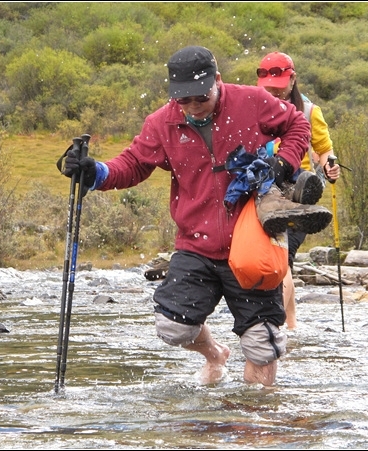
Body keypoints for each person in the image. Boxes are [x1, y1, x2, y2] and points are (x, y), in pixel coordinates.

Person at [61, 46, 332, 386]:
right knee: (173, 327)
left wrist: (285, 162)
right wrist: (95, 173)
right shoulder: (162, 122)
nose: (191, 107)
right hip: (197, 243)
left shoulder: (252, 102)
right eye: (183, 100)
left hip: (253, 239)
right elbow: (132, 164)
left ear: (217, 81)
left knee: (262, 347)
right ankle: (215, 354)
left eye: (200, 98)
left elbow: (297, 125)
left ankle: (256, 423)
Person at [257, 51, 342, 330]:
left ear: (293, 79)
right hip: (264, 192)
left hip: (300, 194)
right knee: (282, 260)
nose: (274, 94)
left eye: (279, 88)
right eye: (268, 89)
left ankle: (276, 326)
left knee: (282, 258)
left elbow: (324, 150)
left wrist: (331, 166)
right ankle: (291, 327)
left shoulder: (309, 112)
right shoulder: (254, 107)